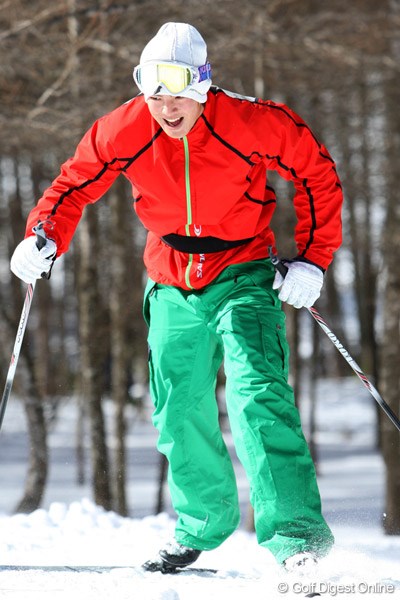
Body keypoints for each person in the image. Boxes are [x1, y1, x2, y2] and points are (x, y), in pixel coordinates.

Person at [10, 22, 342, 573]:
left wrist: (313, 258)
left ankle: (296, 538)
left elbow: (317, 177)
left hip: (242, 271)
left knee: (256, 396)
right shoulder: (126, 127)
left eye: (180, 89)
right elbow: (74, 184)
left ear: (204, 84)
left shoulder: (254, 122)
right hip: (169, 278)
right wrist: (42, 234)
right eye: (154, 90)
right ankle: (200, 526)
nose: (167, 106)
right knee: (176, 408)